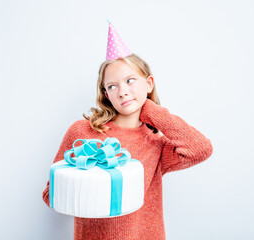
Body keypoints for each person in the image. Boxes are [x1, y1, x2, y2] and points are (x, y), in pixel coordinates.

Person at [42, 21, 213, 240]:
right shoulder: (83, 132)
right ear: (106, 94)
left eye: (130, 81)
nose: (123, 91)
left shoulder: (156, 144)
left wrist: (151, 110)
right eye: (112, 86)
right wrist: (88, 189)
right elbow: (50, 194)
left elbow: (200, 149)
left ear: (149, 83)